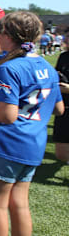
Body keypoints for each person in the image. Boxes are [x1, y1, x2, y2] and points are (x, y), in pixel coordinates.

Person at [0, 11, 64, 236]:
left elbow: (7, 115)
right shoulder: (47, 66)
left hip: (7, 144)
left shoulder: (8, 68)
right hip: (34, 144)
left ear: (9, 36)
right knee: (19, 204)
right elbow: (59, 109)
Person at [54, 34, 69, 164]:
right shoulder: (64, 56)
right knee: (61, 154)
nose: (67, 39)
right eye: (67, 36)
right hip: (64, 106)